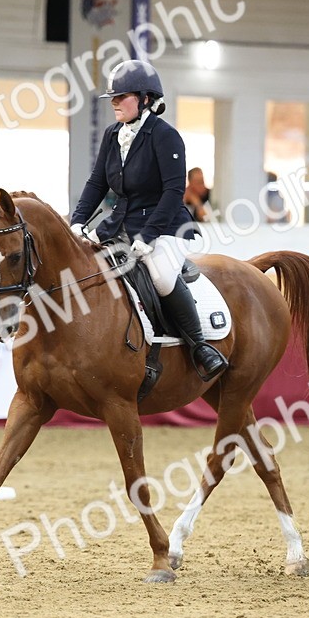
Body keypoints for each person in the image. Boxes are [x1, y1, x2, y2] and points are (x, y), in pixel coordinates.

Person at [70, 59, 227, 381]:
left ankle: (200, 346)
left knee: (161, 276)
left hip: (164, 225)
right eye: (112, 97)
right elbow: (97, 182)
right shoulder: (114, 134)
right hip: (119, 224)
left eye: (121, 96)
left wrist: (147, 236)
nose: (114, 102)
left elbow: (173, 191)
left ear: (144, 99)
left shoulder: (165, 136)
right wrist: (77, 223)